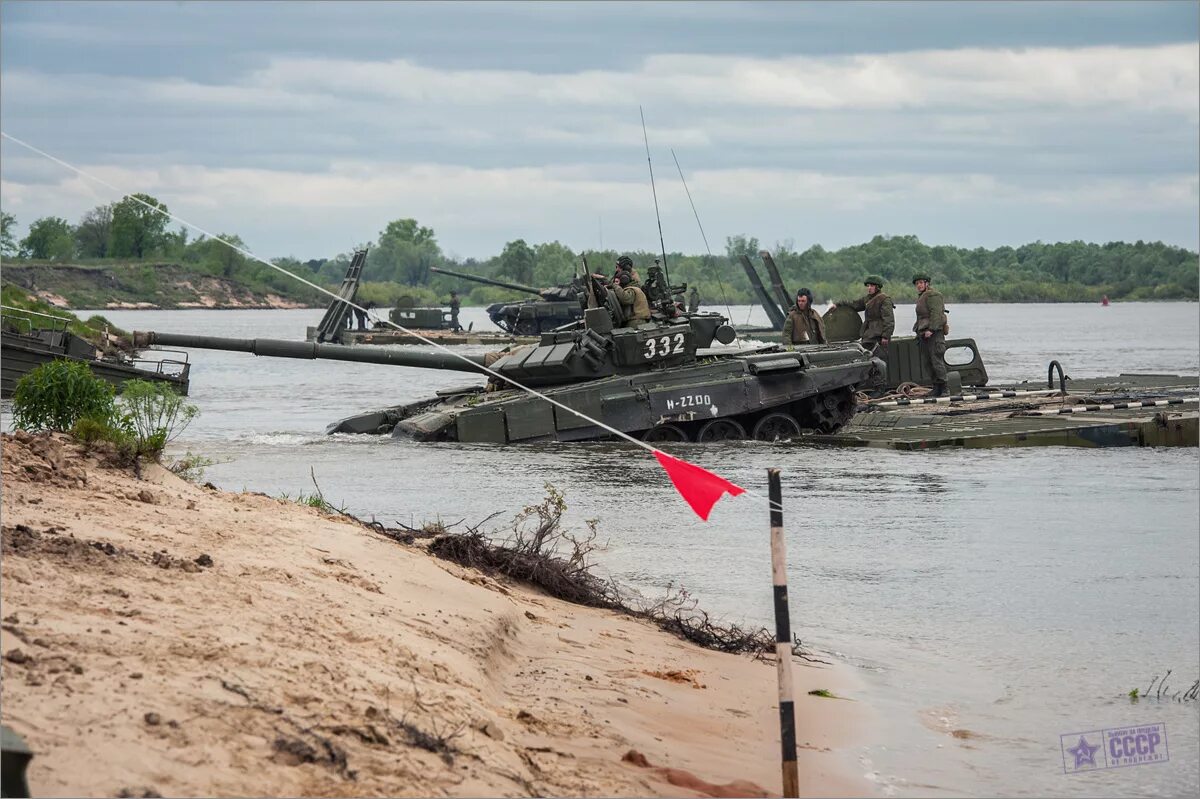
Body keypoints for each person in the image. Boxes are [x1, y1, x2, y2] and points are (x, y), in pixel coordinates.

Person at [831, 275, 894, 383]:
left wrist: (885, 336)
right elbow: (854, 305)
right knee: (869, 363)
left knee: (879, 364)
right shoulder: (867, 299)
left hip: (878, 337)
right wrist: (838, 304)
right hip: (868, 336)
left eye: (872, 286)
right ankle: (871, 386)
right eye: (868, 286)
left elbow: (889, 320)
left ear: (877, 287)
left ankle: (880, 388)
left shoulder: (884, 299)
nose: (869, 288)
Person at [912, 273, 948, 396]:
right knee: (928, 362)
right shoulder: (922, 296)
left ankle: (944, 388)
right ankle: (936, 387)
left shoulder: (933, 295)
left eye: (921, 283)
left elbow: (936, 314)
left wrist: (931, 329)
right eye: (917, 283)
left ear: (927, 283)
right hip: (923, 333)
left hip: (934, 334)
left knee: (936, 360)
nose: (919, 285)